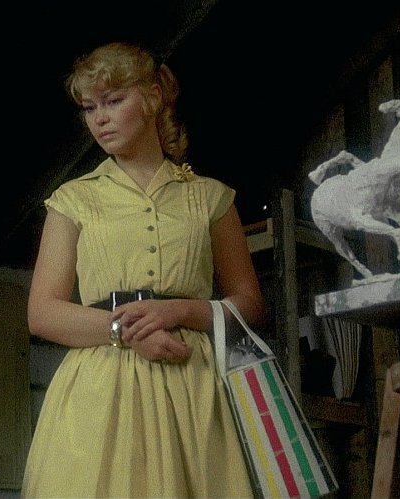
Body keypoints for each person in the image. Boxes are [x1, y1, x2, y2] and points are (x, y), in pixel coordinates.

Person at [22, 42, 266, 497]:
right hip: (101, 385)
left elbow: (250, 304)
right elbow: (43, 313)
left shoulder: (211, 197)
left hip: (192, 381)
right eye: (89, 107)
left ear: (153, 98)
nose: (100, 118)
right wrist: (127, 332)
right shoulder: (73, 199)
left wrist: (178, 311)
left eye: (114, 100)